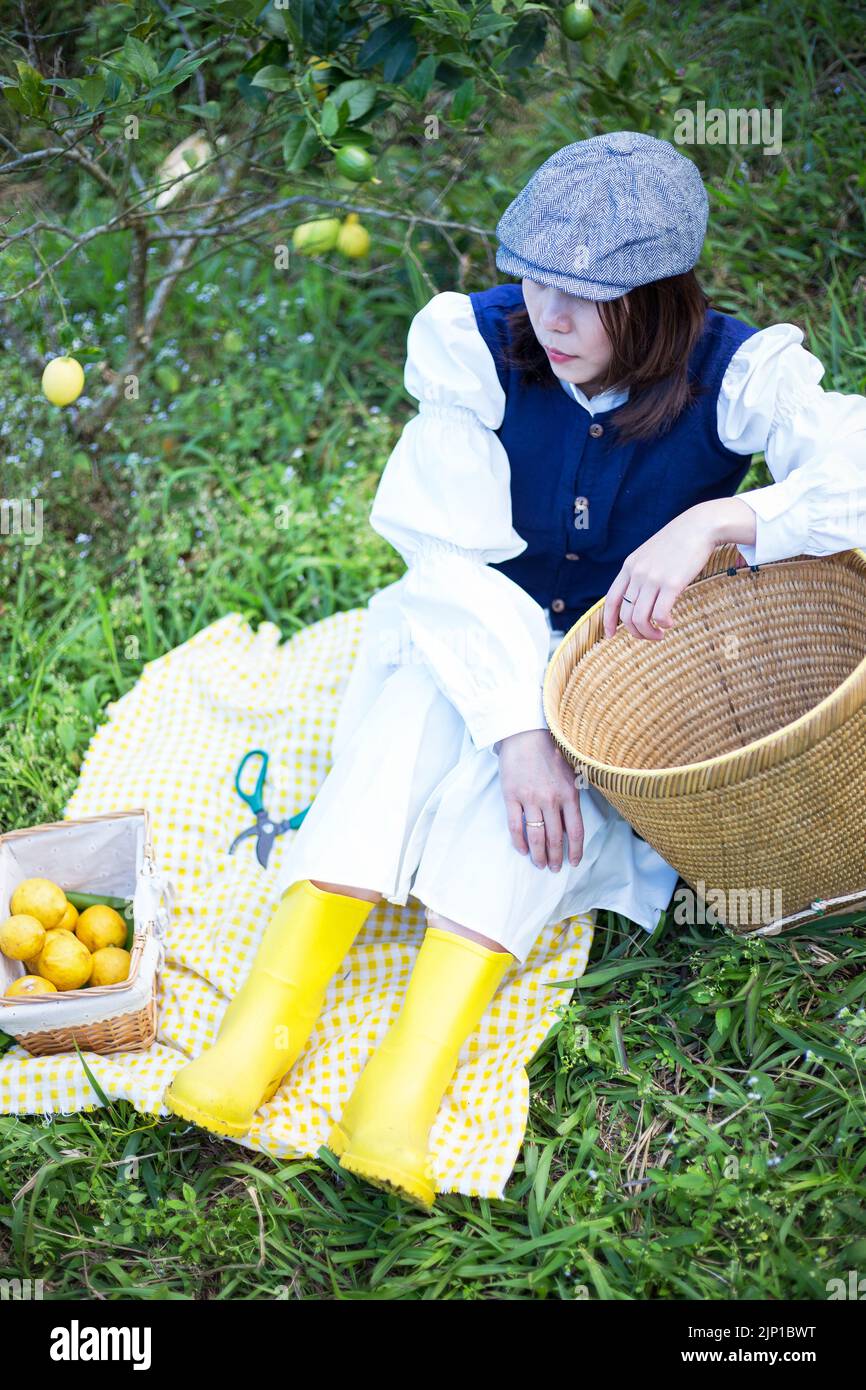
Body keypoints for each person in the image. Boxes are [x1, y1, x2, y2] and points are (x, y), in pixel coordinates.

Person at [164, 131, 866, 1208]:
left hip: (611, 671)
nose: (551, 316)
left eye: (587, 297)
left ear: (659, 294)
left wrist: (721, 520)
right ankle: (261, 1026)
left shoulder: (733, 371)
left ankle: (404, 1081)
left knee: (529, 814)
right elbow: (444, 557)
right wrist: (512, 725)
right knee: (407, 728)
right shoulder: (471, 344)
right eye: (536, 282)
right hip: (469, 622)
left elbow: (850, 473)